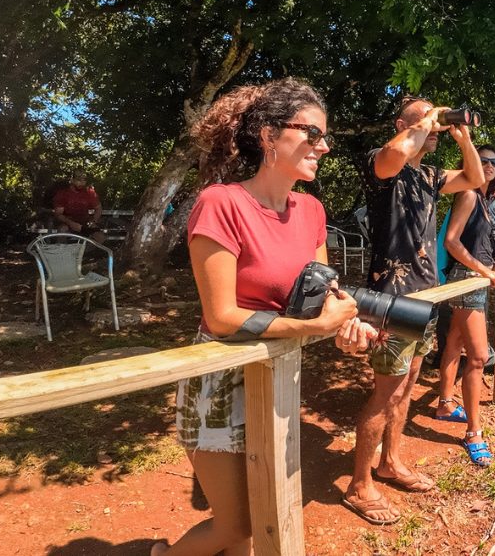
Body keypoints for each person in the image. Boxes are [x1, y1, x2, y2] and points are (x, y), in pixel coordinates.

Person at [151, 78, 377, 556]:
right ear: (270, 135)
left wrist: (345, 325)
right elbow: (223, 317)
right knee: (235, 527)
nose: (325, 145)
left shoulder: (312, 210)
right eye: (312, 133)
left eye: (325, 136)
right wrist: (314, 327)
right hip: (219, 379)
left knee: (261, 514)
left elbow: (319, 301)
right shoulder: (222, 203)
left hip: (277, 376)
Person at [344, 95, 484, 525]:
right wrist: (426, 121)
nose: (432, 123)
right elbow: (394, 154)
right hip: (390, 297)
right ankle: (359, 484)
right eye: (423, 115)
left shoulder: (428, 175)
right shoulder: (382, 163)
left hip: (425, 295)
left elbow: (475, 179)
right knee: (385, 391)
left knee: (407, 386)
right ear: (403, 122)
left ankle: (392, 460)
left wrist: (462, 138)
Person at [437, 144, 495, 467]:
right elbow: (451, 241)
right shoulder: (467, 194)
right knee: (478, 356)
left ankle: (444, 403)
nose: (489, 166)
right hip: (466, 280)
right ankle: (473, 433)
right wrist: (484, 270)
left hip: (475, 277)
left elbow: (478, 245)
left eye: (494, 162)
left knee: (454, 341)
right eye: (482, 161)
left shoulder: (486, 201)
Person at [52, 169, 106, 243]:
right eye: (79, 180)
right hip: (67, 222)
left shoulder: (89, 192)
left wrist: (93, 221)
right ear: (72, 180)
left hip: (85, 222)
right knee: (62, 230)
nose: (82, 183)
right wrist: (71, 223)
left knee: (100, 237)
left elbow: (98, 208)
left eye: (84, 181)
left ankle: (81, 252)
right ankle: (63, 252)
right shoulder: (63, 194)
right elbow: (58, 214)